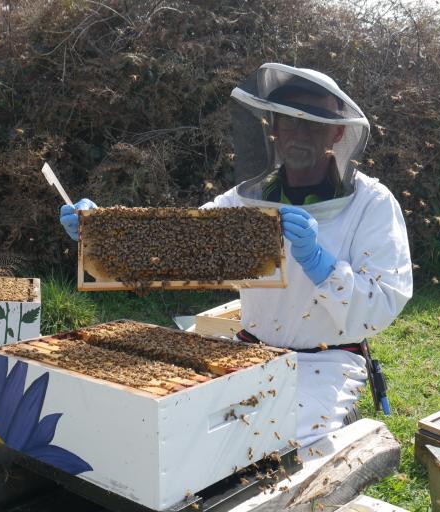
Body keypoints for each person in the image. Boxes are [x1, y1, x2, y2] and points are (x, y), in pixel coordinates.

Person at [60, 63, 413, 446]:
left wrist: (322, 264)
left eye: (313, 123)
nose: (299, 134)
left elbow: (383, 302)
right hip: (247, 351)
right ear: (273, 129)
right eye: (289, 122)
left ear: (338, 132)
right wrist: (101, 233)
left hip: (325, 363)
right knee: (193, 437)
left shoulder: (372, 204)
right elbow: (179, 244)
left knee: (287, 447)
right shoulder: (245, 199)